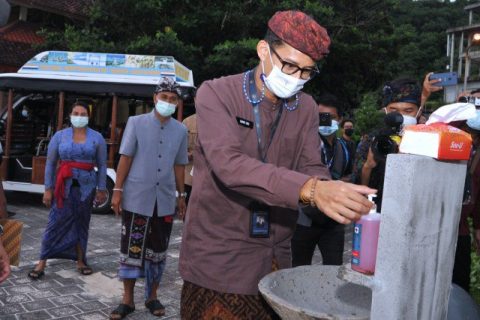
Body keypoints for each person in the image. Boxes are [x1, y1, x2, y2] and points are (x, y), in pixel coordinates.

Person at [179, 10, 375, 319]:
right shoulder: (217, 94)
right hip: (219, 258)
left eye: (307, 72)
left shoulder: (306, 107)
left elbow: (311, 163)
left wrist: (330, 190)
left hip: (275, 256)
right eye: (289, 65)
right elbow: (229, 165)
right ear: (263, 51)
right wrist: (310, 189)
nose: (296, 78)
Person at [110, 77, 188, 319]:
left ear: (177, 103)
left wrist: (181, 194)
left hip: (163, 200)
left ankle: (152, 297)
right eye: (164, 97)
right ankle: (127, 300)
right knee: (131, 250)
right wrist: (117, 190)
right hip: (136, 197)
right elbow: (126, 158)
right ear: (155, 98)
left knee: (158, 250)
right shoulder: (136, 123)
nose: (167, 102)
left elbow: (179, 165)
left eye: (172, 99)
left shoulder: (181, 130)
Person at [27, 101, 107, 280]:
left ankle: (80, 260)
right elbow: (50, 162)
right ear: (70, 115)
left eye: (83, 114)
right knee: (54, 223)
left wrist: (102, 188)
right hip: (63, 186)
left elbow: (102, 165)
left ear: (89, 116)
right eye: (76, 113)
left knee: (81, 223)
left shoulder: (97, 138)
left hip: (86, 187)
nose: (79, 116)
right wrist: (48, 188)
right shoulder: (60, 136)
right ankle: (42, 261)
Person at [291, 94, 353, 267]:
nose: (325, 121)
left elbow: (346, 175)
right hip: (305, 218)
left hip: (333, 220)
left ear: (340, 120)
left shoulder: (344, 147)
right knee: (299, 269)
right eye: (320, 117)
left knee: (334, 269)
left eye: (331, 117)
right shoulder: (303, 144)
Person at [354, 78, 423, 208]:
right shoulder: (373, 139)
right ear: (385, 110)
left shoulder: (428, 140)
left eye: (408, 111)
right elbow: (359, 188)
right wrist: (368, 166)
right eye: (394, 110)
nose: (401, 116)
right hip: (380, 211)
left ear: (419, 111)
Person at [452, 95, 480, 293]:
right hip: (433, 228)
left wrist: (478, 226)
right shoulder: (445, 135)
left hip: (460, 231)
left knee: (459, 287)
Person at [182, 112, 197, 205]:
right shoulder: (188, 122)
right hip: (189, 179)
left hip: (210, 179)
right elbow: (179, 149)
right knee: (184, 207)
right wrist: (187, 154)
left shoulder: (221, 121)